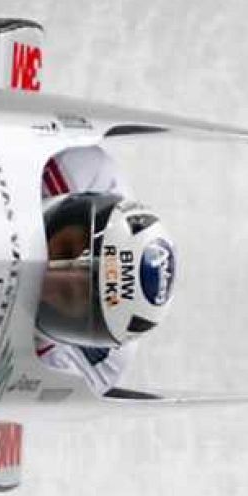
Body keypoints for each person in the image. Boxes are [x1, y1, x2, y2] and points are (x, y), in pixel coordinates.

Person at [34, 146, 177, 395]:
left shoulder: (87, 371)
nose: (49, 274)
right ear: (69, 215)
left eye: (67, 293)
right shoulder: (86, 172)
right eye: (66, 249)